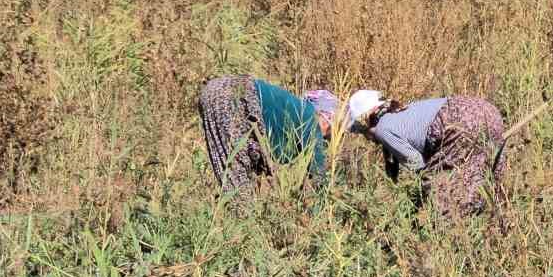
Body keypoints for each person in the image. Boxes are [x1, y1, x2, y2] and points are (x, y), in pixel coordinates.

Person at [346, 89, 507, 217]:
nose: (365, 136)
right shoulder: (404, 110)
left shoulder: (383, 129)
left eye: (361, 130)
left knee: (444, 204)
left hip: (458, 123)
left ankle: (453, 245)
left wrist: (419, 197)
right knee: (489, 181)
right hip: (487, 111)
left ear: (366, 118)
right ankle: (500, 227)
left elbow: (416, 163)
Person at [198, 76, 337, 191]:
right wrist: (324, 198)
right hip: (236, 95)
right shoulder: (310, 117)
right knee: (236, 183)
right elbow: (318, 171)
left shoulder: (293, 110)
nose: (326, 137)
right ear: (326, 117)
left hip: (215, 90)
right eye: (330, 130)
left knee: (231, 170)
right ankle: (242, 217)